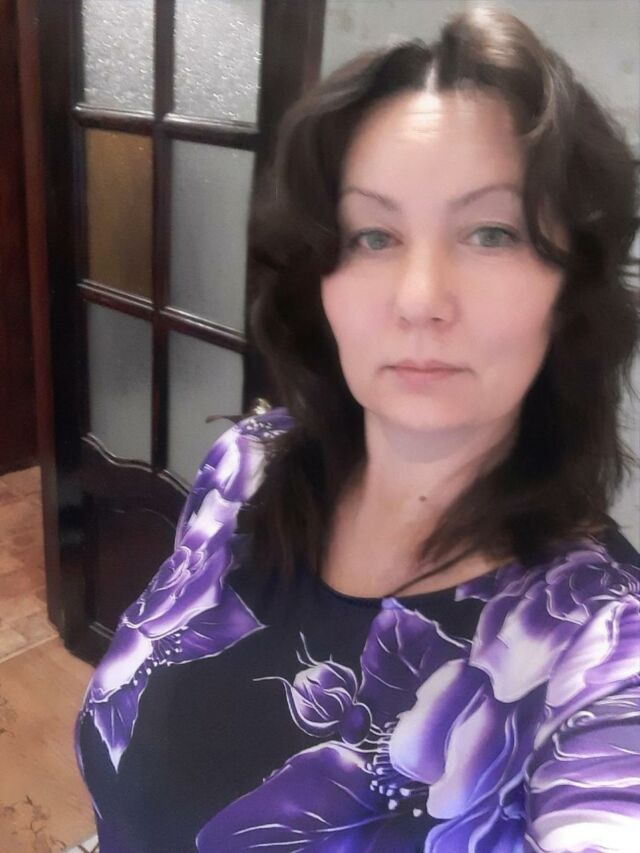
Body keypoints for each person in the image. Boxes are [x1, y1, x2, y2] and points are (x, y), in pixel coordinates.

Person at [75, 4, 640, 851]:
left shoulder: (605, 653)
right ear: (321, 282)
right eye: (373, 235)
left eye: (491, 233)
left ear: (571, 291)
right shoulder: (246, 466)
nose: (419, 298)